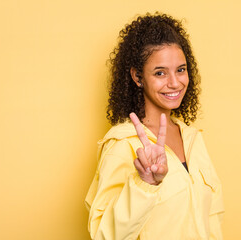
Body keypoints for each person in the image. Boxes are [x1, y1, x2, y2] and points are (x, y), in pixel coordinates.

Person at [85, 12, 224, 240]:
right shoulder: (123, 144)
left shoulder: (193, 138)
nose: (175, 82)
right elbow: (103, 235)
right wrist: (145, 184)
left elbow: (213, 221)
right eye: (160, 73)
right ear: (138, 77)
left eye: (181, 69)